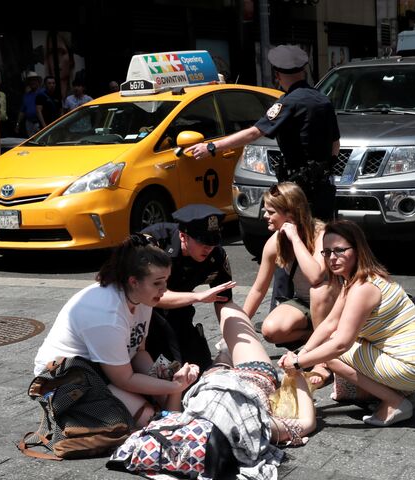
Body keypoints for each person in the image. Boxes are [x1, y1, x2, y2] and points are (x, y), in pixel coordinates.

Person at [278, 220, 415, 427]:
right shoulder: (358, 279)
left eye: (339, 250)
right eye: (326, 252)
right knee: (327, 345)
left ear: (357, 250)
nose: (332, 258)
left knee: (331, 351)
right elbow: (329, 323)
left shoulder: (362, 288)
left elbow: (340, 344)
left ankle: (395, 401)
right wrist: (300, 355)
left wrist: (299, 363)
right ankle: (399, 391)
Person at [32, 234, 200, 427]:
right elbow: (124, 379)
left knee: (167, 402)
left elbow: (138, 351)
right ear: (133, 281)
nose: (164, 290)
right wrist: (174, 386)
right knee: (150, 419)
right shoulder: (107, 314)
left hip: (103, 370)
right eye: (157, 283)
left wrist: (169, 381)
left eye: (166, 281)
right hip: (64, 378)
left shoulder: (142, 298)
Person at [189, 44, 340, 221]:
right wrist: (324, 171)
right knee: (322, 234)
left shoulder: (289, 102)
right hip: (323, 187)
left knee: (294, 236)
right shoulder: (323, 100)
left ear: (277, 75)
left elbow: (254, 133)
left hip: (298, 189)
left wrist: (213, 146)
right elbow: (335, 144)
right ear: (303, 71)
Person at [179, 302, 316, 480]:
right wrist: (296, 370)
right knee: (229, 310)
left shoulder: (254, 427)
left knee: (228, 323)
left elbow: (307, 423)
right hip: (251, 373)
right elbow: (307, 423)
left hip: (219, 377)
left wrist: (177, 386)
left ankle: (226, 352)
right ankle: (226, 352)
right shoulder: (254, 427)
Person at [142, 204, 236, 372]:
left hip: (179, 312)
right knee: (164, 373)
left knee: (201, 367)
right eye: (202, 242)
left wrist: (232, 341)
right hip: (143, 317)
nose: (208, 248)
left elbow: (224, 302)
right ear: (184, 236)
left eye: (213, 241)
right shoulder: (154, 244)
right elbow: (150, 296)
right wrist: (198, 297)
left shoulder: (216, 255)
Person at [242, 183, 333, 351]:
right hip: (305, 303)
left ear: (290, 214)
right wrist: (240, 324)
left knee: (319, 290)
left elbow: (316, 277)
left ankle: (322, 351)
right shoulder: (275, 242)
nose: (265, 216)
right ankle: (312, 335)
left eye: (270, 212)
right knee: (270, 330)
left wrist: (295, 239)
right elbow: (258, 289)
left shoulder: (322, 233)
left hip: (333, 303)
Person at [15, 71, 42, 136]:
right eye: (30, 80)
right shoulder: (26, 96)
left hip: (40, 123)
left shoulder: (43, 93)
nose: (32, 82)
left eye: (34, 80)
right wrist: (18, 124)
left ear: (38, 81)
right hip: (29, 123)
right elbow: (22, 111)